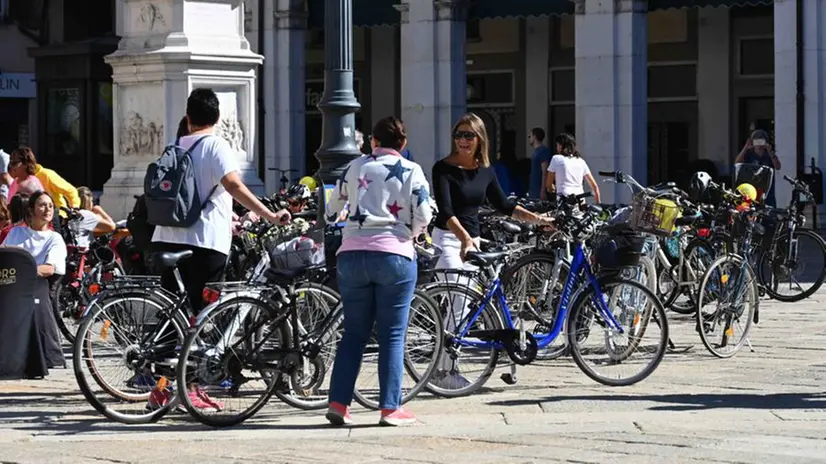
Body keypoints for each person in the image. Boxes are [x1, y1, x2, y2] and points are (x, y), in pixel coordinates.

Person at [431, 113, 554, 389]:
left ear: (480, 139)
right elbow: (446, 210)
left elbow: (503, 204)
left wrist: (539, 219)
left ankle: (444, 367)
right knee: (458, 300)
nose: (463, 141)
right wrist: (463, 238)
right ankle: (445, 370)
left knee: (464, 308)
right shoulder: (443, 168)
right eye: (459, 135)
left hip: (473, 241)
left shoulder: (485, 169)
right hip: (448, 240)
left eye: (468, 135)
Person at [324, 116, 433, 427]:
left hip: (352, 255)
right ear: (403, 144)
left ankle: (338, 403)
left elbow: (332, 212)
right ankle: (389, 408)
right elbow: (424, 212)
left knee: (353, 334)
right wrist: (410, 233)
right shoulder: (411, 170)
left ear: (373, 141)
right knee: (392, 334)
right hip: (394, 255)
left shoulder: (355, 167)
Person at [1, 191, 67, 368]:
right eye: (42, 205)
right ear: (31, 210)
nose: (48, 209)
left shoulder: (54, 239)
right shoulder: (16, 233)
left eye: (51, 206)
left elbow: (49, 268)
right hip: (11, 282)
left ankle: (47, 355)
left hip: (38, 284)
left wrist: (23, 273)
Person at [7, 147, 79, 233]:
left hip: (53, 217)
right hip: (23, 224)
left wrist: (74, 209)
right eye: (11, 162)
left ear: (26, 163)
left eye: (15, 162)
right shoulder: (15, 182)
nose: (11, 165)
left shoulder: (45, 176)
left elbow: (70, 191)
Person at [545, 133, 601, 203]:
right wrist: (598, 206)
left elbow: (548, 185)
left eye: (557, 145)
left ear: (560, 146)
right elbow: (595, 187)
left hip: (565, 201)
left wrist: (552, 189)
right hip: (581, 200)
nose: (556, 148)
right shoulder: (581, 161)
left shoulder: (556, 158)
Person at [735, 129, 780, 206]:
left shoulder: (769, 154)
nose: (759, 144)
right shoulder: (749, 154)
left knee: (769, 212)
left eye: (761, 141)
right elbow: (737, 163)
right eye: (757, 141)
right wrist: (746, 147)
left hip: (767, 190)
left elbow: (778, 166)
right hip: (752, 190)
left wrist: (770, 151)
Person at [528, 127, 552, 199]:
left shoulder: (543, 151)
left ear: (534, 137)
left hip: (538, 190)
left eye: (530, 136)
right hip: (534, 189)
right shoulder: (536, 152)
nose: (529, 138)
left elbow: (545, 172)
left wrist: (543, 190)